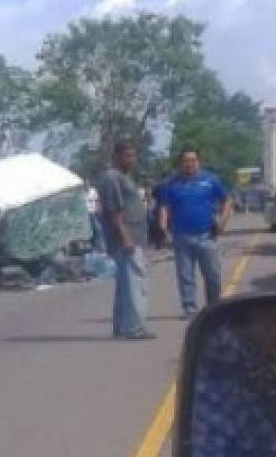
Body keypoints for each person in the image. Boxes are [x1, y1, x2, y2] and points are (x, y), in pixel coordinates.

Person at [158, 148, 232, 320]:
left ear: (199, 162)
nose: (189, 164)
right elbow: (164, 207)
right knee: (185, 276)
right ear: (180, 163)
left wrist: (222, 222)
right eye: (185, 160)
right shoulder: (171, 184)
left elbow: (227, 200)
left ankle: (213, 306)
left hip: (206, 235)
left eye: (193, 160)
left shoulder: (210, 181)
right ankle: (189, 308)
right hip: (181, 236)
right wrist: (163, 229)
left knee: (213, 275)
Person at [98, 141, 156, 340]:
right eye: (127, 156)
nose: (131, 160)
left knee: (126, 284)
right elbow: (115, 211)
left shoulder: (124, 177)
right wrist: (126, 238)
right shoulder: (112, 178)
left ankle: (123, 327)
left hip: (134, 237)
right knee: (134, 283)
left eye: (133, 155)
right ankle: (134, 328)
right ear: (117, 156)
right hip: (126, 239)